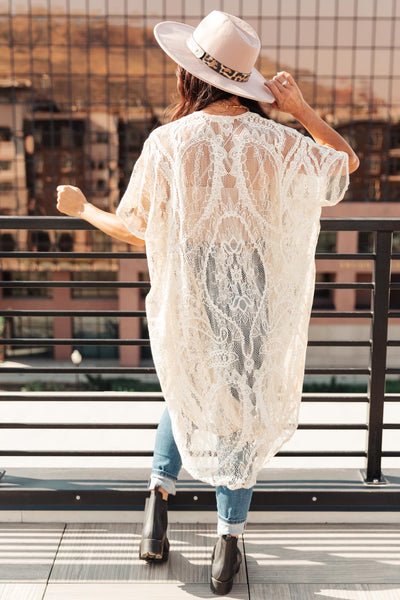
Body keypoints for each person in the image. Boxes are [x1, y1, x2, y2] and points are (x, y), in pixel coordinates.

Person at [56, 10, 359, 596]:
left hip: (187, 286)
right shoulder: (278, 143)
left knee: (184, 389)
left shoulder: (168, 143)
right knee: (240, 406)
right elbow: (344, 163)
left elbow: (136, 230)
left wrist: (83, 209)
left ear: (189, 77)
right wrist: (297, 109)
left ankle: (156, 510)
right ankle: (227, 542)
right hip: (252, 290)